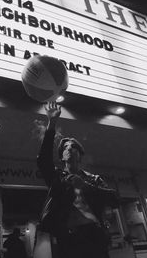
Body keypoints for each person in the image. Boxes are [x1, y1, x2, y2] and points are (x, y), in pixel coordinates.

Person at [37, 102, 119, 258]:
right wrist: (52, 123)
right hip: (69, 238)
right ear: (62, 157)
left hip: (95, 234)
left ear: (80, 155)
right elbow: (43, 161)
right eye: (66, 147)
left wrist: (86, 186)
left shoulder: (93, 179)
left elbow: (114, 199)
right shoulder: (57, 178)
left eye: (73, 146)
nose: (69, 148)